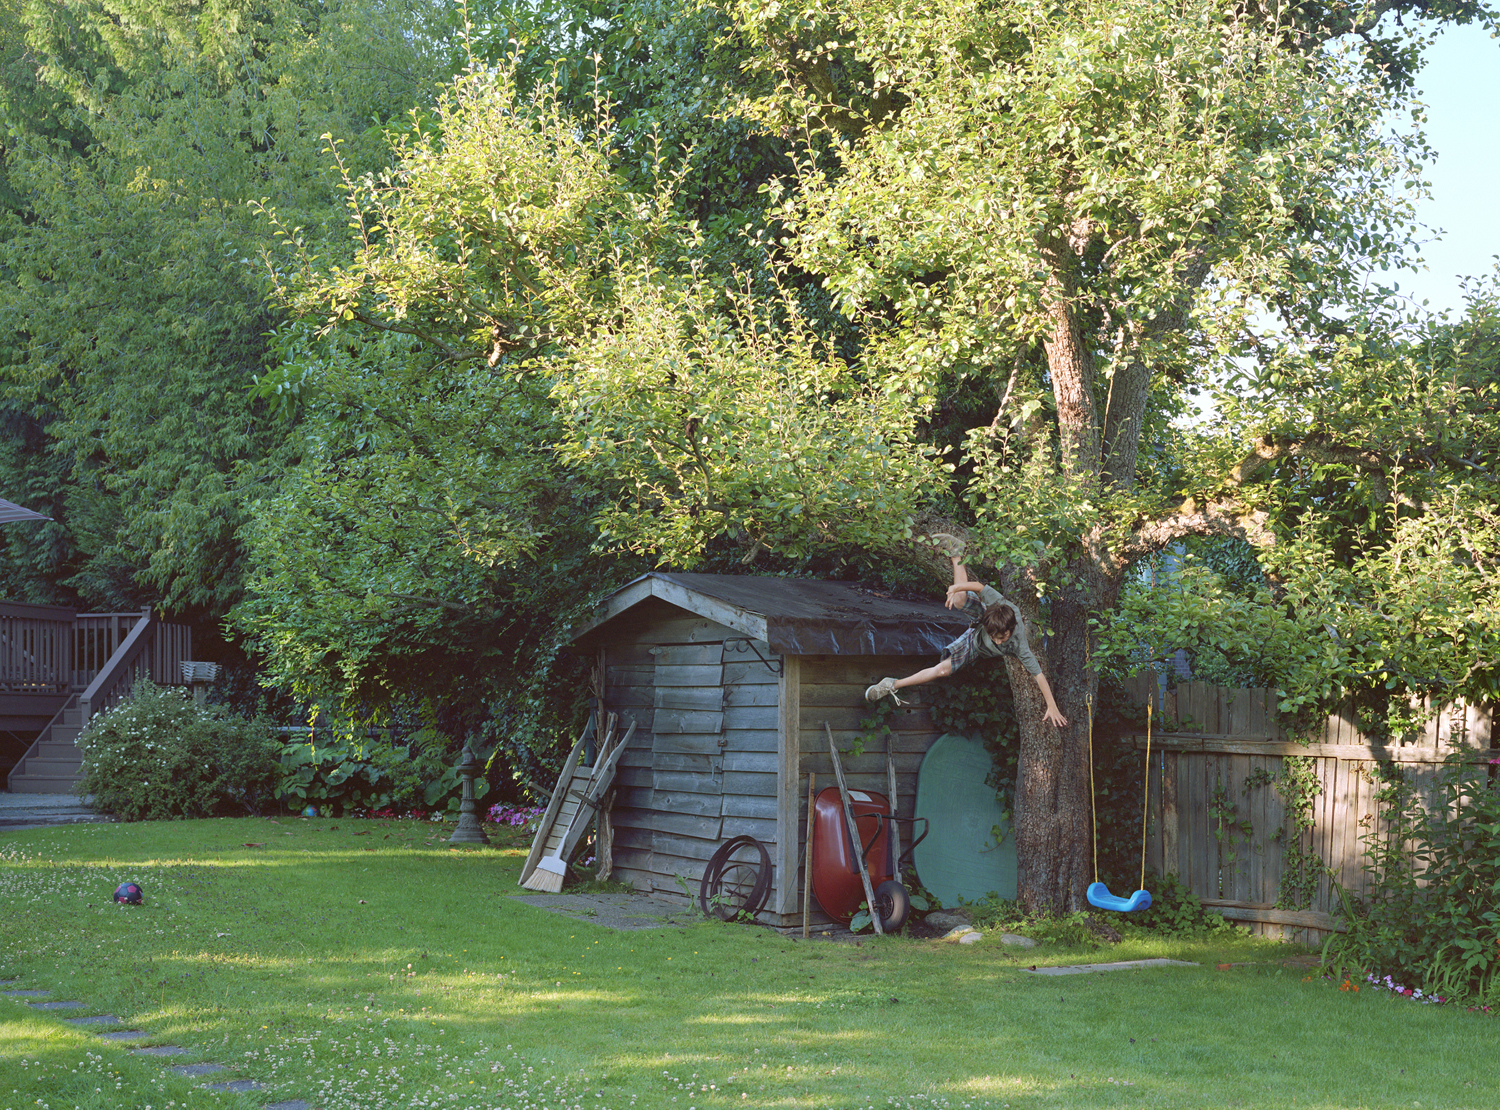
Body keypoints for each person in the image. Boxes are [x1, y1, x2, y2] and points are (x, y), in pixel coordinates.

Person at [864, 533, 1068, 728]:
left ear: (1011, 630)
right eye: (995, 638)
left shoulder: (1018, 642)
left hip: (977, 646)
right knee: (960, 598)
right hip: (982, 622)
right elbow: (979, 587)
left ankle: (893, 683)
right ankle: (956, 552)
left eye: (1002, 638)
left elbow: (1039, 675)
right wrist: (955, 589)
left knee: (942, 670)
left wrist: (1051, 705)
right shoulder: (997, 603)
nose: (999, 642)